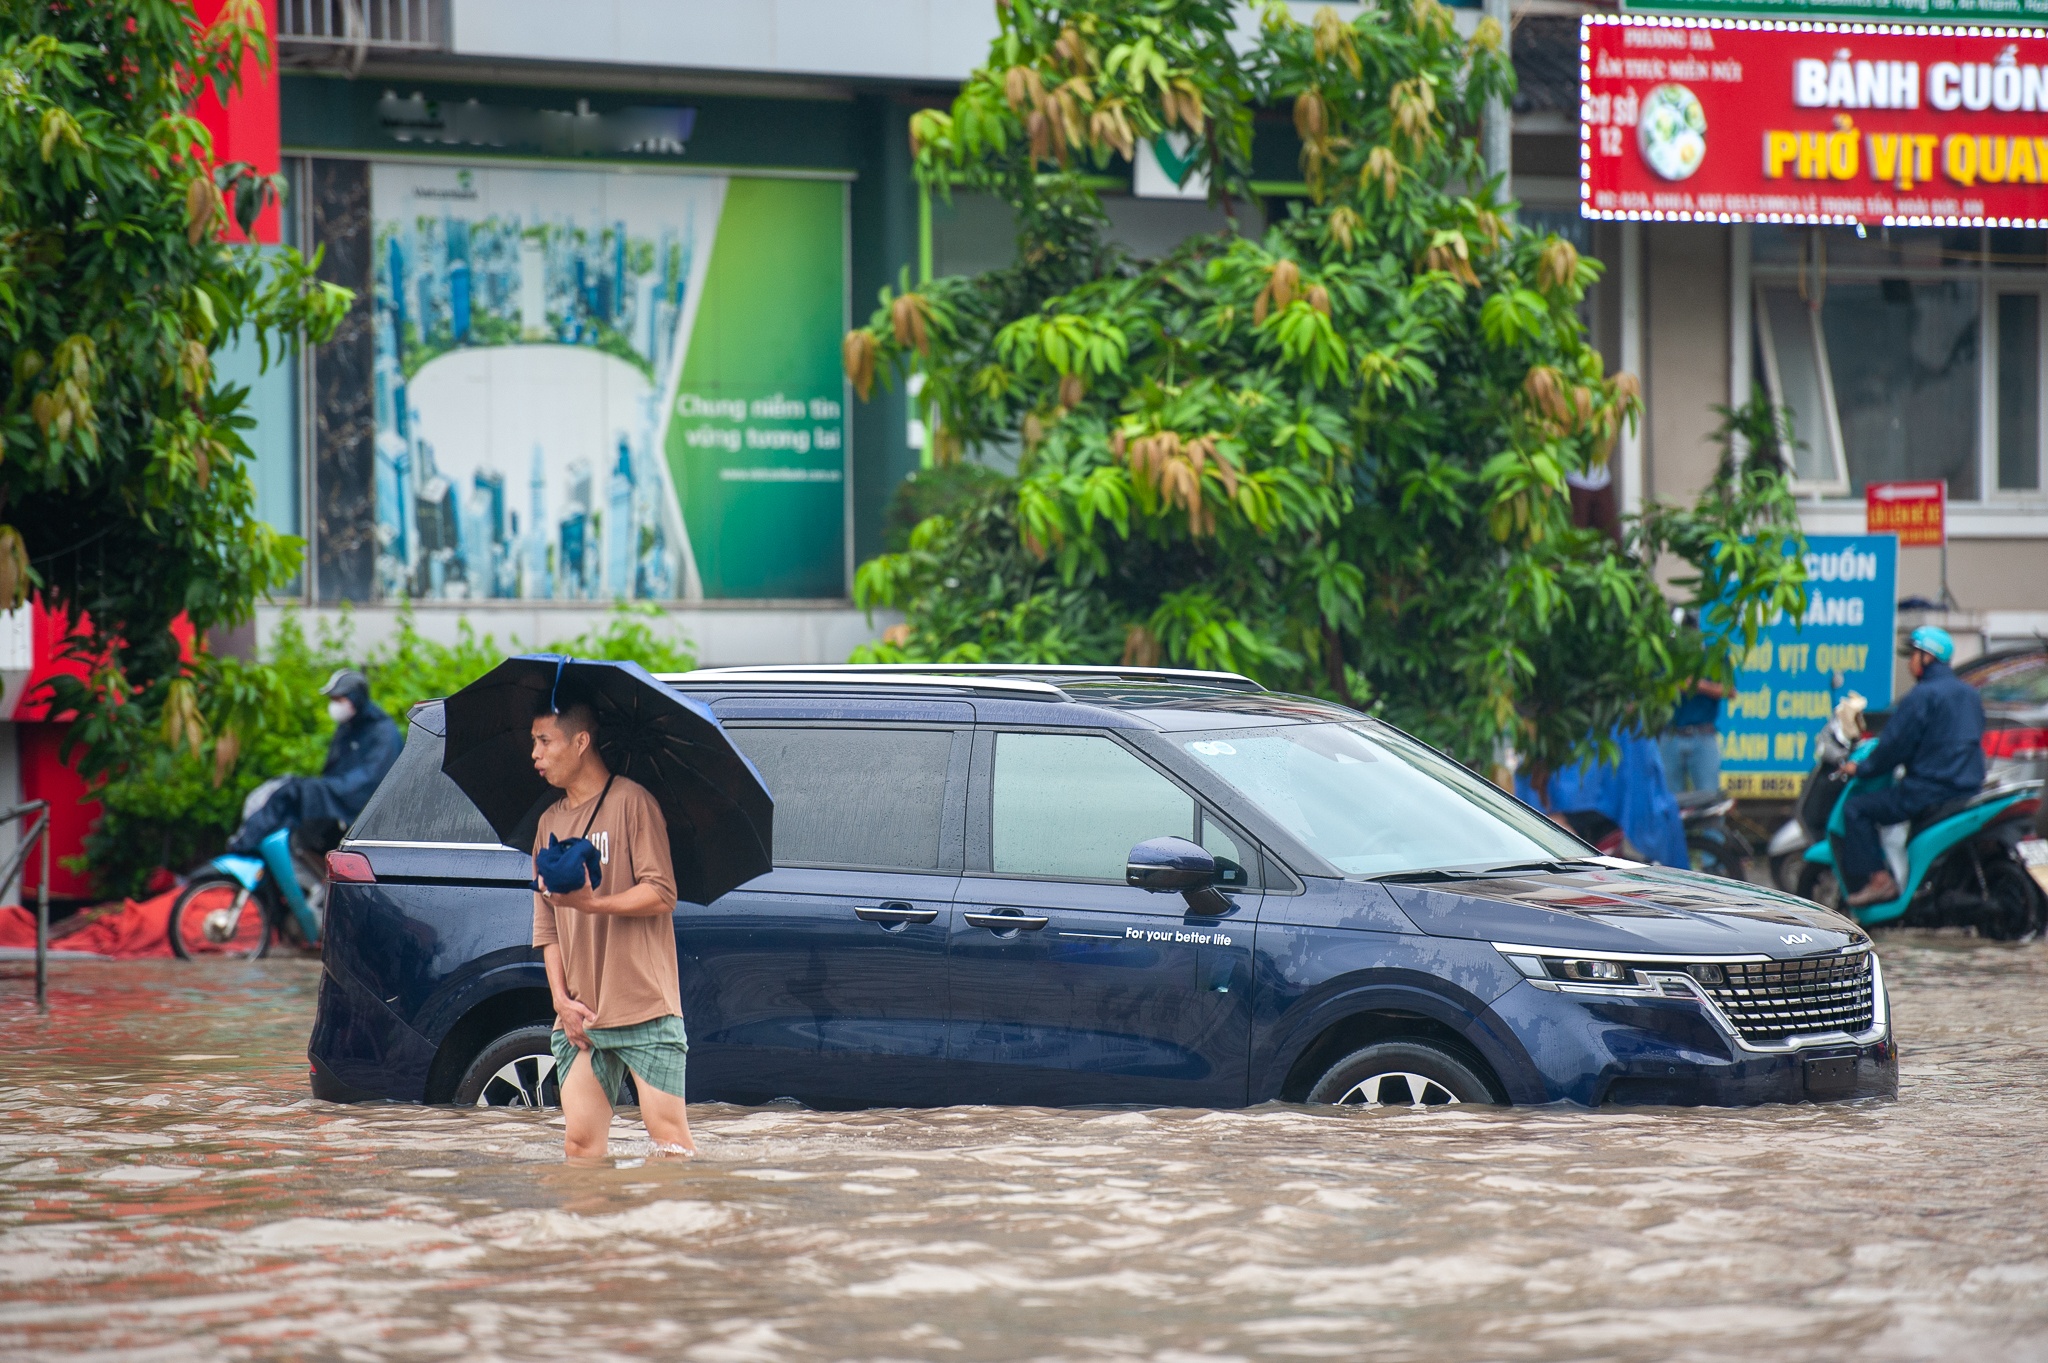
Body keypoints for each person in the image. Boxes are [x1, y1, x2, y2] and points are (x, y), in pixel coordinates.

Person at [529, 698, 693, 1160]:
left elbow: (662, 892)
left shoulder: (632, 803)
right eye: (533, 743)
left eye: (545, 741)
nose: (535, 754)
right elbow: (547, 924)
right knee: (580, 1147)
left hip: (644, 1005)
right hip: (582, 1014)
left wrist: (593, 904)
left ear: (581, 741)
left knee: (670, 1145)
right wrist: (561, 1002)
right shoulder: (549, 822)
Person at [1838, 626, 1985, 908]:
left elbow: (1894, 746)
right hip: (1969, 789)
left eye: (1913, 655)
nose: (1909, 663)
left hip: (1927, 792)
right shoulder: (1970, 694)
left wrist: (1863, 768)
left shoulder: (1922, 696)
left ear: (1927, 657)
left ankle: (1880, 880)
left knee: (1856, 809)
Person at [229, 669, 402, 855]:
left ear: (356, 698)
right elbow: (333, 768)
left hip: (363, 805)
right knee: (285, 788)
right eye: (332, 699)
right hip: (340, 792)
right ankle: (267, 853)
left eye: (339, 699)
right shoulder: (348, 727)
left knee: (295, 791)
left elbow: (370, 779)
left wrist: (326, 788)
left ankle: (242, 846)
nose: (334, 705)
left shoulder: (382, 731)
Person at [1660, 678, 1728, 796]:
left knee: (1709, 796)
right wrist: (1673, 685)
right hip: (1670, 734)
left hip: (1703, 734)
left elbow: (1730, 691)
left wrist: (1698, 685)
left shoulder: (1714, 665)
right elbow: (1650, 687)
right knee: (1669, 797)